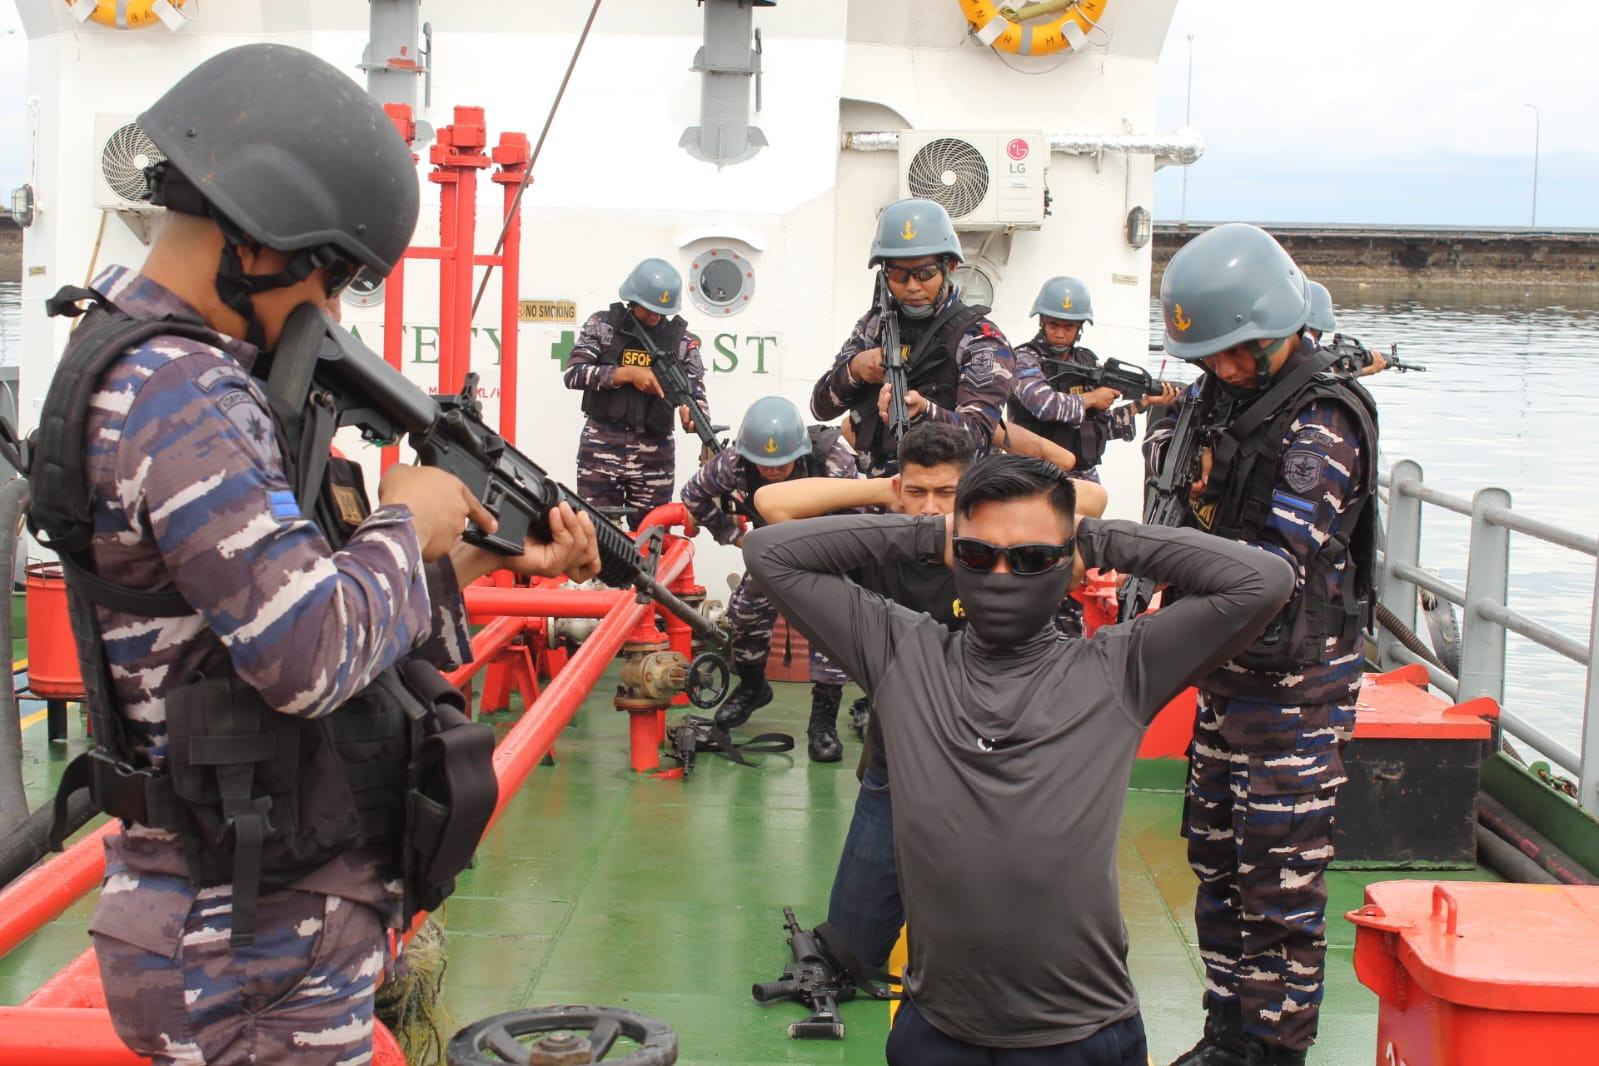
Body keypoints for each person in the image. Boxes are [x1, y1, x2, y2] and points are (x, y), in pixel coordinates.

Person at [31, 44, 600, 1066]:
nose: (333, 314)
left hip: (233, 902)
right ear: (258, 238)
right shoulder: (183, 389)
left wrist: (484, 559)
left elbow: (247, 623)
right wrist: (406, 520)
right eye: (331, 276)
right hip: (248, 936)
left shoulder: (134, 360)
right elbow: (306, 657)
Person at [745, 454, 1293, 1065]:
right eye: (979, 556)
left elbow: (1263, 580)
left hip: (1079, 1034)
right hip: (937, 1029)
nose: (1004, 575)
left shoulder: (1119, 670)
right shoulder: (902, 654)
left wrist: (1094, 538)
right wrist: (931, 532)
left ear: (1066, 562)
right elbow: (770, 551)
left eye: (1032, 558)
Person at [1150, 224, 1379, 1066]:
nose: (1215, 369)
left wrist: (1182, 546)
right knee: (1214, 858)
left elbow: (1273, 566)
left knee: (1276, 881)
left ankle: (1273, 1049)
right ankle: (1227, 1032)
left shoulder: (1321, 423)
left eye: (1227, 353)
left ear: (1272, 332)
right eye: (1205, 356)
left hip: (1292, 693)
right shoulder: (1222, 396)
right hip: (1226, 675)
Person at [681, 396, 859, 760]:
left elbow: (859, 517)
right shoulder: (736, 462)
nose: (773, 471)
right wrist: (736, 537)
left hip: (829, 552)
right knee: (744, 611)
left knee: (832, 621)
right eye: (764, 464)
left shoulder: (832, 461)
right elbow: (693, 494)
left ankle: (823, 720)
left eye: (782, 464)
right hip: (775, 552)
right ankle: (753, 687)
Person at [811, 198, 1014, 477]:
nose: (912, 286)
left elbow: (977, 440)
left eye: (924, 273)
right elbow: (820, 408)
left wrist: (924, 412)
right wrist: (855, 370)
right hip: (884, 490)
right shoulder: (874, 327)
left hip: (950, 492)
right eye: (898, 274)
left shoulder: (979, 338)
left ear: (950, 266)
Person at [565, 257, 711, 529]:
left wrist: (694, 415)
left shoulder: (682, 342)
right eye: (649, 309)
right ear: (633, 299)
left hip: (654, 457)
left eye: (662, 311)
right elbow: (574, 373)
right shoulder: (603, 325)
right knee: (594, 533)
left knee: (652, 536)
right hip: (600, 448)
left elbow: (696, 393)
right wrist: (627, 374)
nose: (655, 316)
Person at [1008, 275, 1179, 484]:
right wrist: (1092, 398)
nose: (1060, 334)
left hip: (1080, 474)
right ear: (1042, 323)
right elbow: (1044, 406)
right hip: (1032, 474)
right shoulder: (1025, 359)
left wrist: (1142, 404)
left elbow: (1098, 428)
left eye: (1068, 327)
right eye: (1053, 325)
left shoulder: (1086, 363)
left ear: (1079, 328)